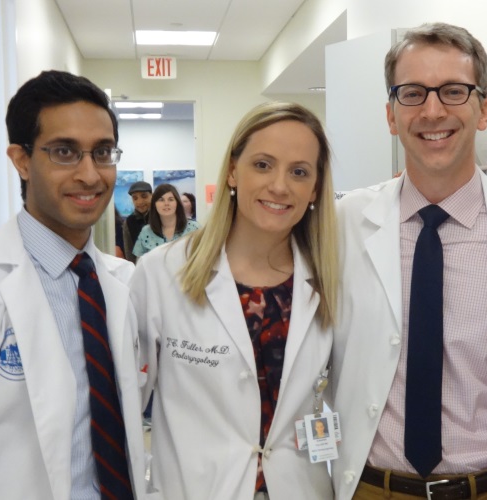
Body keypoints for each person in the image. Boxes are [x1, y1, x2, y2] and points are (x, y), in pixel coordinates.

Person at [329, 22, 487, 500]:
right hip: (373, 488)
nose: (432, 111)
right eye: (413, 93)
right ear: (391, 114)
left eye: (454, 91)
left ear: (484, 109)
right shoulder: (341, 225)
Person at [0, 70, 145, 500]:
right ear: (20, 160)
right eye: (65, 152)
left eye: (103, 152)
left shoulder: (118, 284)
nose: (90, 175)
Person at [131, 102, 339, 499]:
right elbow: (127, 407)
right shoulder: (163, 273)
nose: (280, 185)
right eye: (262, 165)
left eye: (299, 172)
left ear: (314, 188)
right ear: (231, 171)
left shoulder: (329, 278)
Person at [132, 183, 201, 259]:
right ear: (154, 204)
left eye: (171, 199)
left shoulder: (194, 228)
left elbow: (204, 258)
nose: (166, 204)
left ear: (177, 203)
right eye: (161, 200)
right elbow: (140, 264)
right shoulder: (146, 232)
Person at [121, 181, 153, 262]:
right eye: (135, 198)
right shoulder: (129, 222)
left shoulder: (161, 217)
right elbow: (129, 252)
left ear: (152, 196)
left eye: (144, 196)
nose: (140, 202)